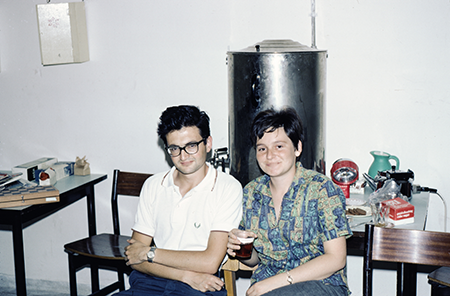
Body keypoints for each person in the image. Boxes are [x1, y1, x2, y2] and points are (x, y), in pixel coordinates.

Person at [116, 105, 243, 296]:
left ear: (208, 143)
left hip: (201, 287)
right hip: (151, 282)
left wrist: (150, 253)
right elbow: (134, 257)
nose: (183, 156)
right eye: (174, 148)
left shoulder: (227, 187)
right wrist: (185, 276)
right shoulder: (153, 185)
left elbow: (209, 262)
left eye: (191, 146)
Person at [226, 107, 352, 296]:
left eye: (279, 146)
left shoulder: (320, 188)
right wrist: (240, 249)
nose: (269, 155)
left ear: (297, 148)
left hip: (322, 284)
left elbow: (336, 259)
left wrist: (274, 283)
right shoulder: (252, 193)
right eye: (262, 149)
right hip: (268, 286)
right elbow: (255, 260)